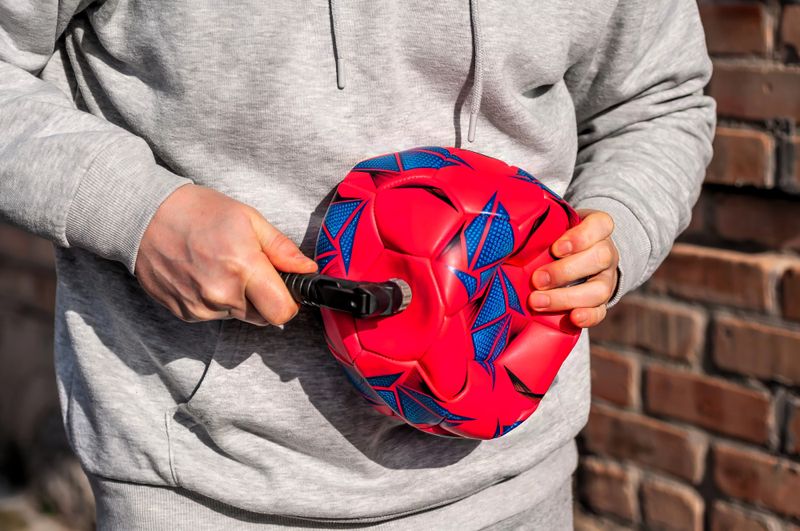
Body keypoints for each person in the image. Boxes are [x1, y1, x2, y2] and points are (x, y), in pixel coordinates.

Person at [0, 1, 715, 529]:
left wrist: (619, 221)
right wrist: (139, 212)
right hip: (209, 487)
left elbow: (658, 97)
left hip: (515, 482)